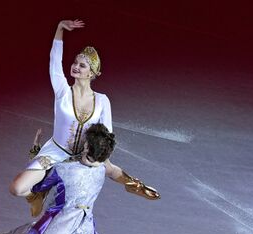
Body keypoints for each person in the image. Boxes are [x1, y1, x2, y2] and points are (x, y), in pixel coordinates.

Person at [9, 19, 159, 215]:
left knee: (107, 167)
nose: (76, 67)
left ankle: (136, 185)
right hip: (56, 153)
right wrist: (59, 29)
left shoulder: (102, 100)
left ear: (92, 73)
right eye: (75, 63)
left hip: (84, 157)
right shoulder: (63, 91)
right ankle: (36, 194)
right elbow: (55, 62)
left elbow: (107, 139)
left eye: (82, 65)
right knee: (17, 188)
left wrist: (95, 158)